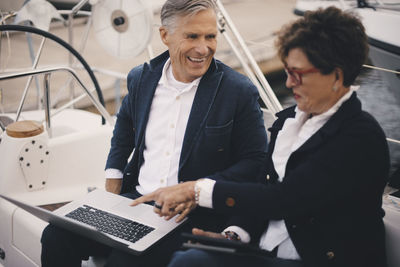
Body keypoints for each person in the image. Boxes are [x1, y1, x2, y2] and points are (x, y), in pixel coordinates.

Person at [131, 6, 391, 267]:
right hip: (265, 251)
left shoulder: (359, 137)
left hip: (319, 259)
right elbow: (264, 188)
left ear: (336, 76)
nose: (289, 83)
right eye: (287, 71)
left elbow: (285, 199)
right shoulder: (289, 122)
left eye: (297, 74)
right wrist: (233, 235)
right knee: (187, 257)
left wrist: (195, 190)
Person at [40, 0, 268, 266]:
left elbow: (255, 161)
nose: (203, 48)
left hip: (190, 215)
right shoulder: (142, 78)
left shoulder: (237, 90)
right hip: (134, 202)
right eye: (192, 36)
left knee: (122, 262)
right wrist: (111, 183)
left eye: (210, 37)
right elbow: (123, 129)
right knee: (55, 235)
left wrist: (195, 190)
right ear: (164, 36)